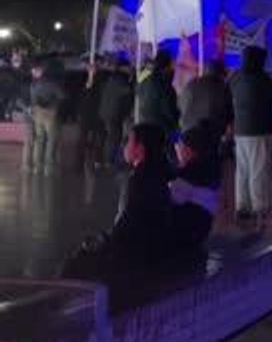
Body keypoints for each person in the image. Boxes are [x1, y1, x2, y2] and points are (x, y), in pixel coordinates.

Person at [61, 123, 177, 283]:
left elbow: (127, 227)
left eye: (129, 141)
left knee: (73, 263)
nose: (124, 146)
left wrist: (102, 243)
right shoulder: (160, 174)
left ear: (140, 148)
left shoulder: (139, 180)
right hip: (153, 248)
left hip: (137, 255)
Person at [228, 45, 272, 220]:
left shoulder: (235, 77)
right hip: (258, 130)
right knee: (258, 169)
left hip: (240, 130)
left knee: (242, 170)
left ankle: (242, 207)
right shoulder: (260, 78)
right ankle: (259, 207)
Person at [169, 121, 222, 250]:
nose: (178, 150)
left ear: (189, 150)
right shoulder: (210, 168)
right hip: (202, 230)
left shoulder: (187, 175)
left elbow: (170, 202)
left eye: (180, 147)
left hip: (185, 234)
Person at [26, 58, 66, 175]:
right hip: (50, 113)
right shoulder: (51, 83)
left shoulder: (33, 84)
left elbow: (33, 100)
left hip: (37, 113)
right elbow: (62, 96)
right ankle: (48, 169)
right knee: (51, 140)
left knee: (40, 140)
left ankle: (38, 167)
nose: (33, 72)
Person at [98, 56, 135, 167]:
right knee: (113, 137)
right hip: (113, 114)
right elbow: (129, 91)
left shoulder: (111, 78)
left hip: (106, 112)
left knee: (111, 136)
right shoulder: (120, 80)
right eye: (127, 68)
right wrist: (132, 78)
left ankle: (106, 159)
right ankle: (109, 160)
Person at [179, 60, 233, 135]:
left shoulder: (191, 84)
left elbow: (180, 105)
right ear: (221, 75)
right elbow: (229, 114)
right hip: (209, 134)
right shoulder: (222, 88)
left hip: (186, 131)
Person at [135, 51, 180, 138]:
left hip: (144, 121)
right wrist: (175, 123)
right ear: (167, 66)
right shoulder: (163, 83)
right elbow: (168, 107)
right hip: (160, 127)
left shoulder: (144, 79)